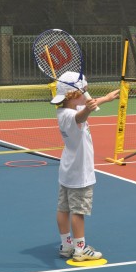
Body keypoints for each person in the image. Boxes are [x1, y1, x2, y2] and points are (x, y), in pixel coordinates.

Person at [51, 71, 120, 261]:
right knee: (78, 212)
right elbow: (80, 116)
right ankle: (80, 249)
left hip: (67, 170)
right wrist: (88, 110)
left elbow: (84, 108)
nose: (87, 94)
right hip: (80, 172)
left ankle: (66, 245)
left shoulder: (63, 111)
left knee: (63, 208)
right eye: (84, 91)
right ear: (74, 95)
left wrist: (105, 99)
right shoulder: (73, 115)